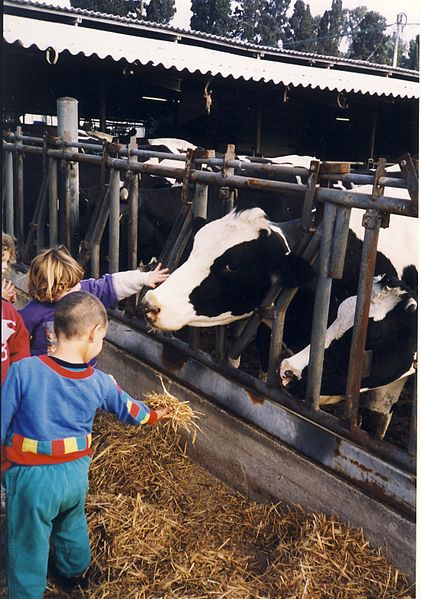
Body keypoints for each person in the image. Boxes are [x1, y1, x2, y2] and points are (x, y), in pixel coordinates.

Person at [1, 291, 172, 598]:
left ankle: (26, 592)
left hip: (31, 478)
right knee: (71, 524)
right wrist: (157, 415)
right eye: (103, 338)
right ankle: (75, 574)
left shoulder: (24, 370)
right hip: (75, 475)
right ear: (94, 334)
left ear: (53, 331)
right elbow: (133, 411)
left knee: (29, 540)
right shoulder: (101, 381)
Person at [19, 245, 169, 356]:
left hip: (82, 372)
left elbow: (113, 284)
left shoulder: (85, 292)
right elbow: (16, 335)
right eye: (66, 290)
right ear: (46, 290)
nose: (74, 292)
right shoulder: (35, 310)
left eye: (74, 285)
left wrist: (144, 278)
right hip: (46, 373)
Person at [2, 233, 30, 384]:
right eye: (2, 261)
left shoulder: (7, 310)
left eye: (6, 261)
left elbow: (19, 343)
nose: (5, 267)